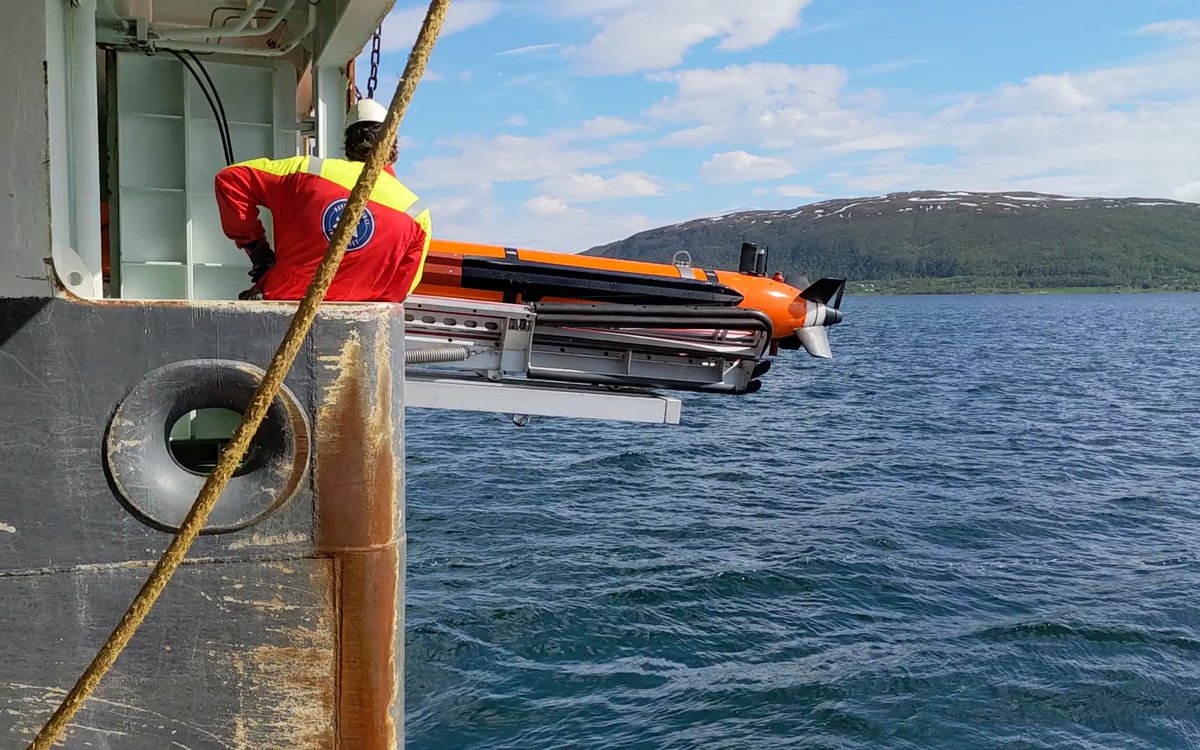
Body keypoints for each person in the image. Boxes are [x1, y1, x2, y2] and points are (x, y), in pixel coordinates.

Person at [214, 98, 431, 302]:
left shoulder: (307, 171)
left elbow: (231, 180)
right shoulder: (415, 214)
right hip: (354, 330)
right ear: (394, 146)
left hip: (280, 308)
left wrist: (257, 249)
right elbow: (398, 292)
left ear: (348, 142)